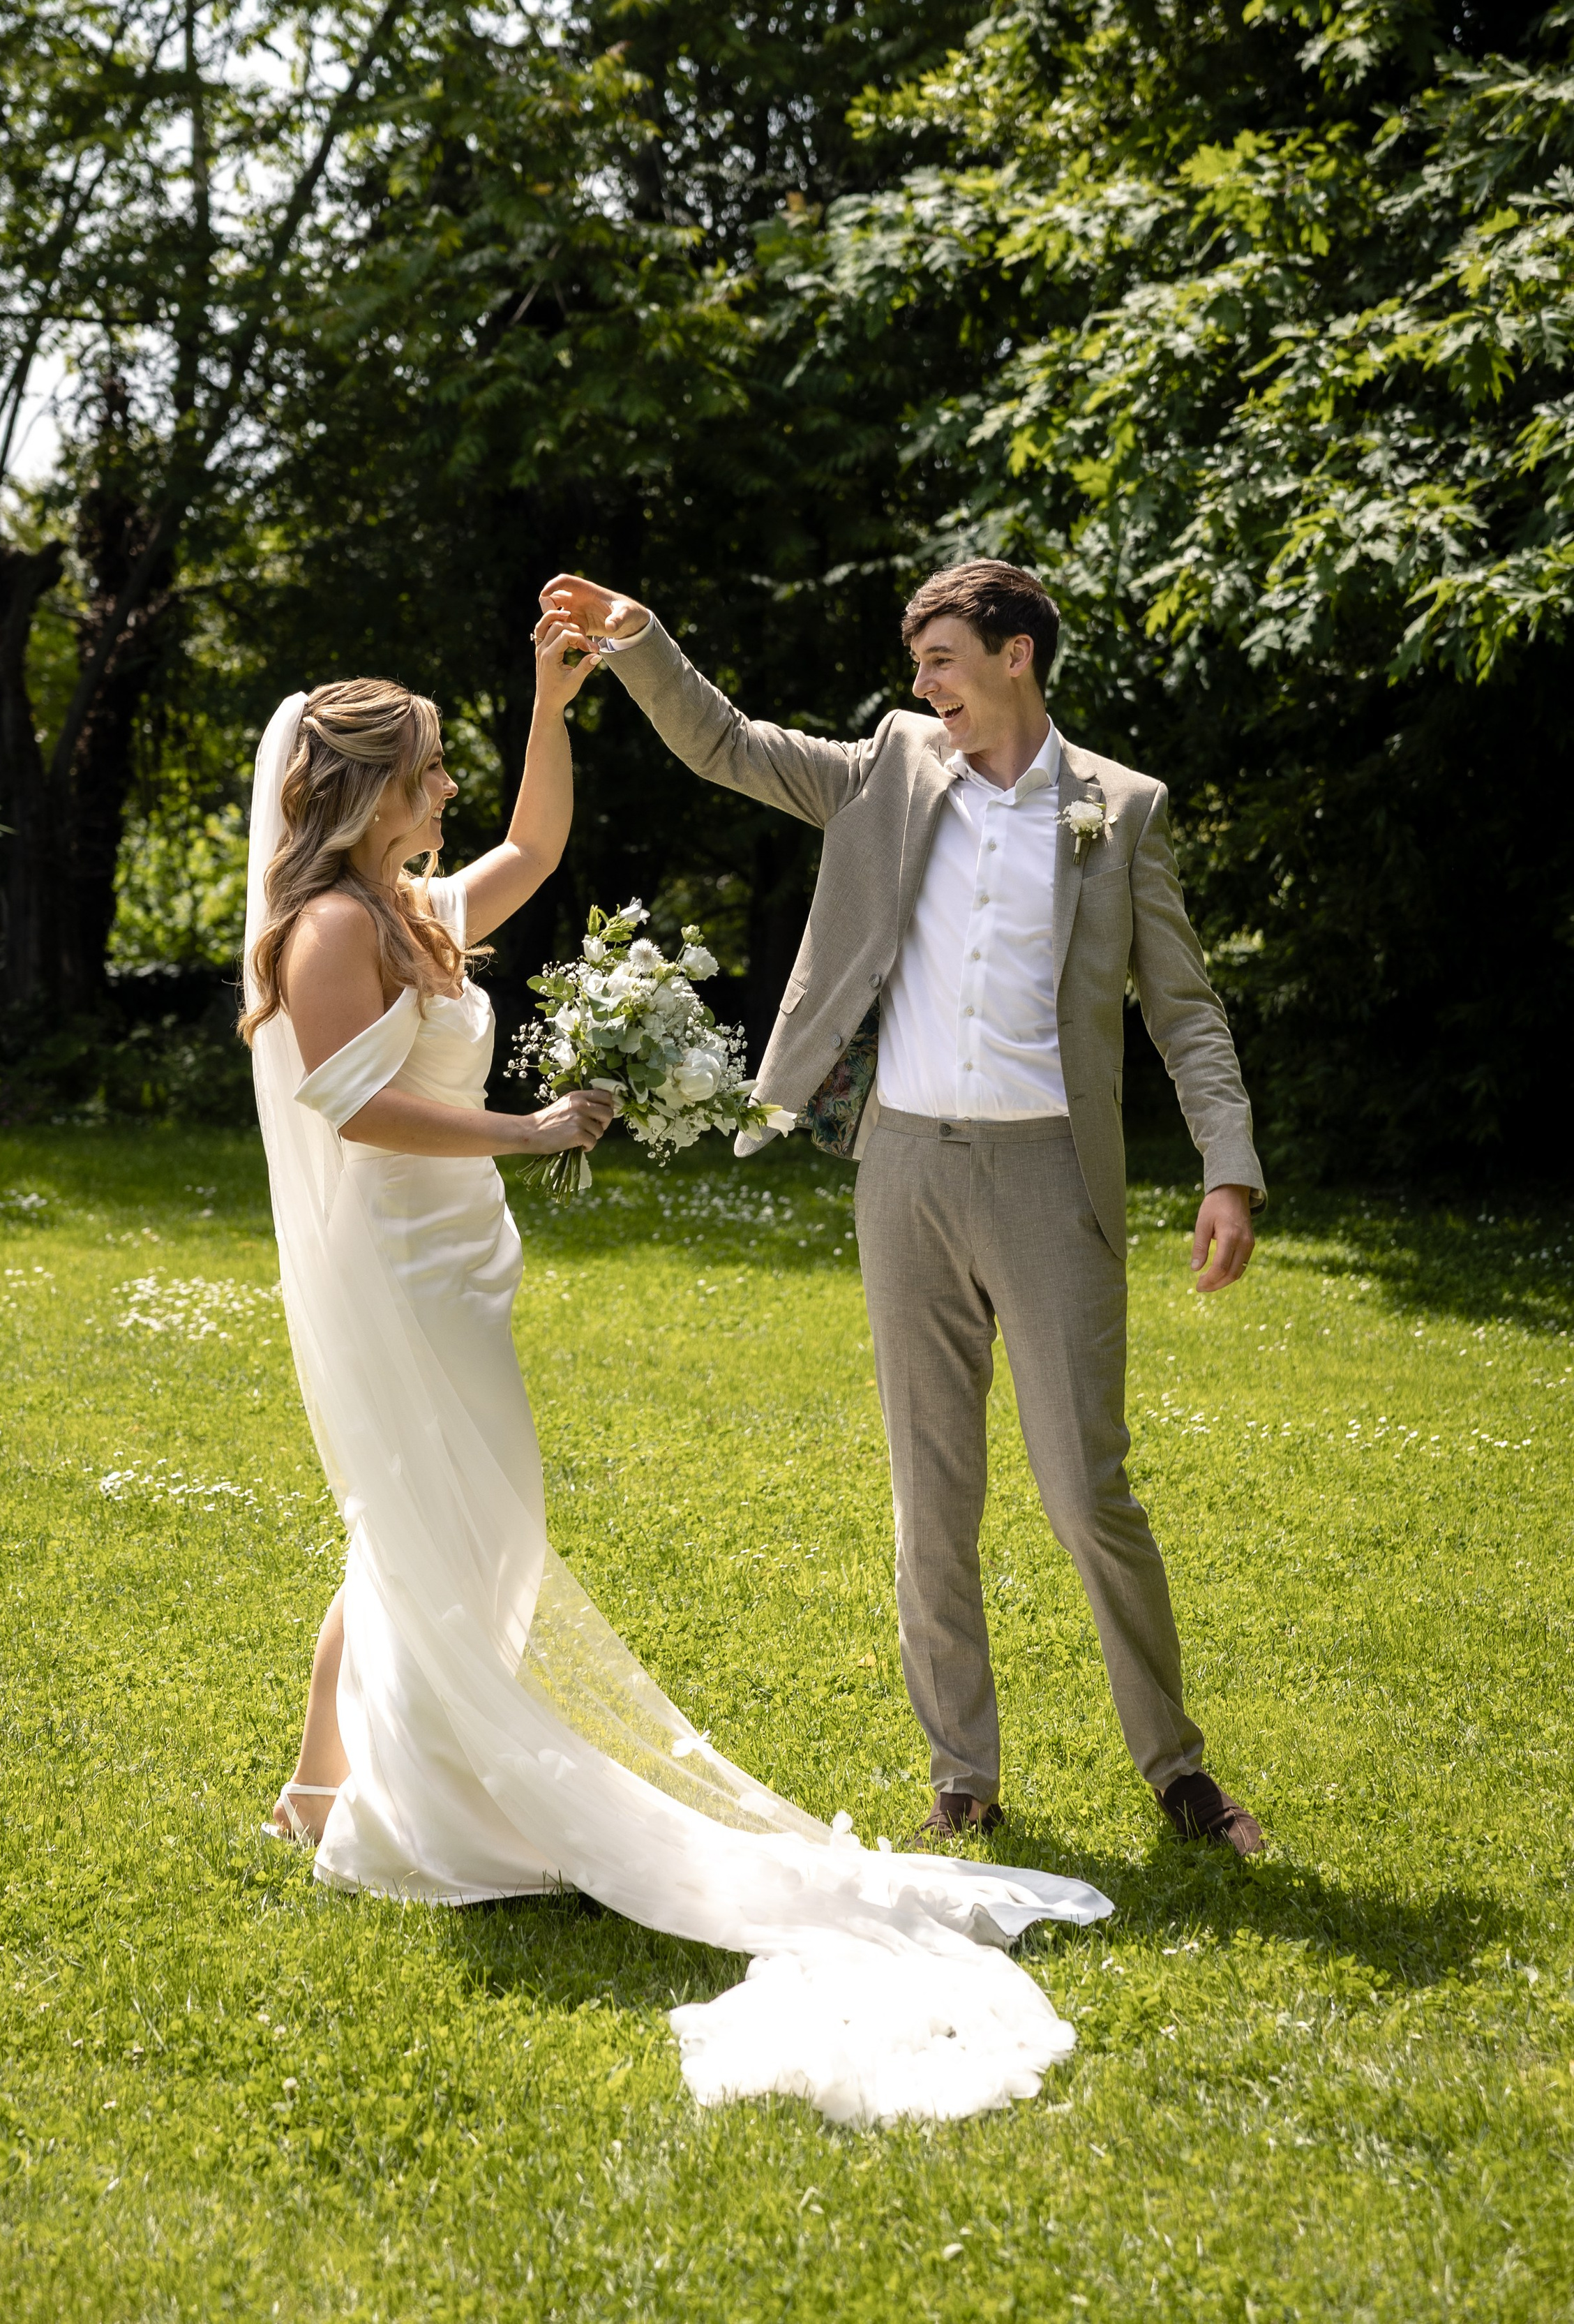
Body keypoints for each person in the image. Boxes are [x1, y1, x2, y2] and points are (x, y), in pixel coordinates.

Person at [238, 609, 1109, 2126]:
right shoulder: (328, 928)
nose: (446, 795)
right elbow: (350, 1108)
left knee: (426, 1524)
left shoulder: (413, 907)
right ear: (369, 787)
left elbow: (538, 840)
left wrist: (546, 703)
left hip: (461, 1256)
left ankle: (317, 1788)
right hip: (400, 1262)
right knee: (466, 1530)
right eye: (429, 773)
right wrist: (525, 1129)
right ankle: (388, 1808)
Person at [540, 559, 1268, 1857]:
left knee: (1085, 1491)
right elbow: (727, 744)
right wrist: (640, 641)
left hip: (1053, 1180)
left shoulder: (1122, 810)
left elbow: (1187, 1011)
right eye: (918, 663)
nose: (921, 685)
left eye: (940, 659)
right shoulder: (890, 764)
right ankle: (962, 1776)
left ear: (1015, 657)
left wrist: (1228, 1166)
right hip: (905, 1173)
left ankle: (1178, 1769)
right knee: (931, 1495)